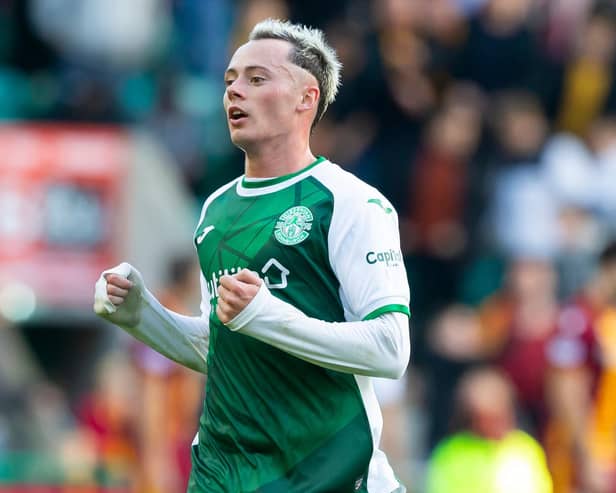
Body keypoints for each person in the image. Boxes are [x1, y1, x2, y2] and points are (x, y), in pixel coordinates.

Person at [93, 18, 411, 493]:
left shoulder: (349, 202)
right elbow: (222, 347)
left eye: (256, 79)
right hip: (224, 475)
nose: (234, 92)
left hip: (326, 474)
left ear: (306, 98)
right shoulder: (215, 210)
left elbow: (391, 349)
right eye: (229, 80)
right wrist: (144, 316)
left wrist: (268, 316)